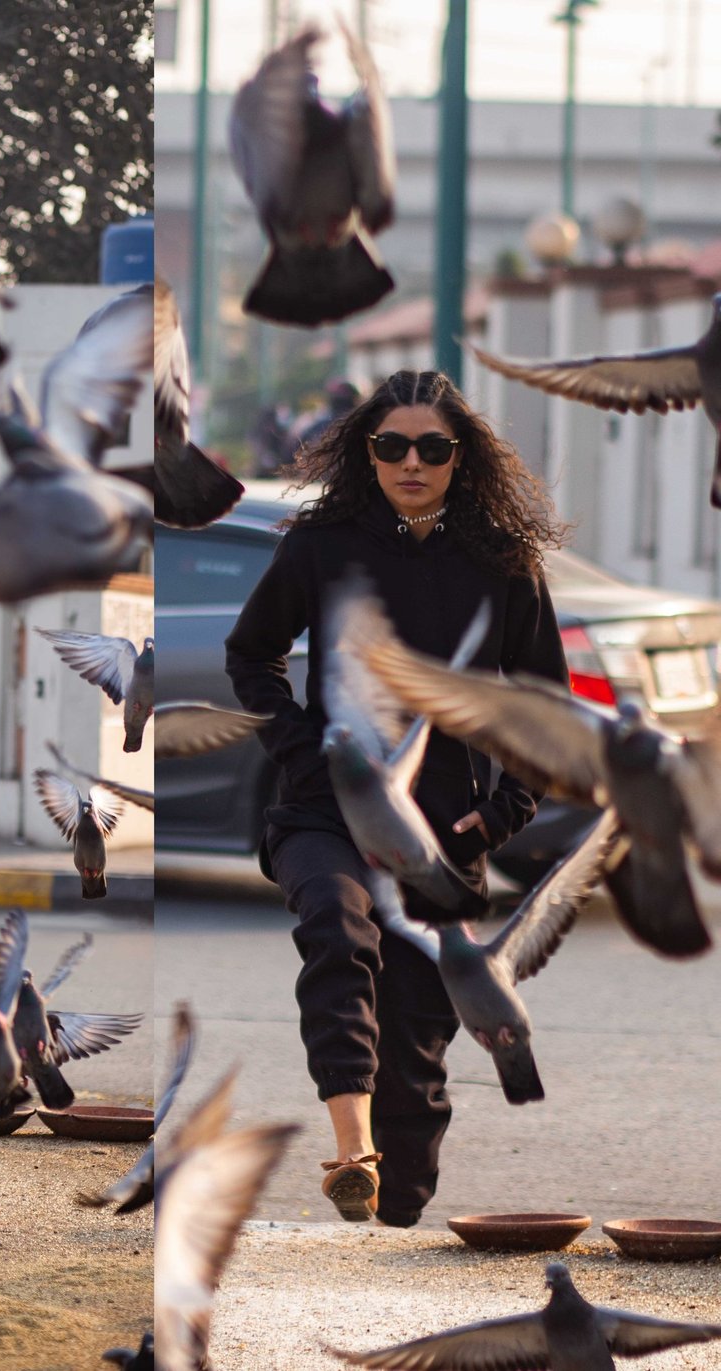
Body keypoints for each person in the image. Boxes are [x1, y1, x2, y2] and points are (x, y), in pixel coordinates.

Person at [225, 369, 569, 1228]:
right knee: (338, 938)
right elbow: (252, 657)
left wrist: (503, 811)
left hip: (444, 836)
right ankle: (353, 1149)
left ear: (461, 457)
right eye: (391, 445)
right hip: (324, 811)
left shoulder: (501, 559)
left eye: (431, 447)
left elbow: (544, 706)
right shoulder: (320, 544)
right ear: (366, 452)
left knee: (416, 1049)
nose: (410, 461)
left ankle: (394, 1192)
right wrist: (305, 757)